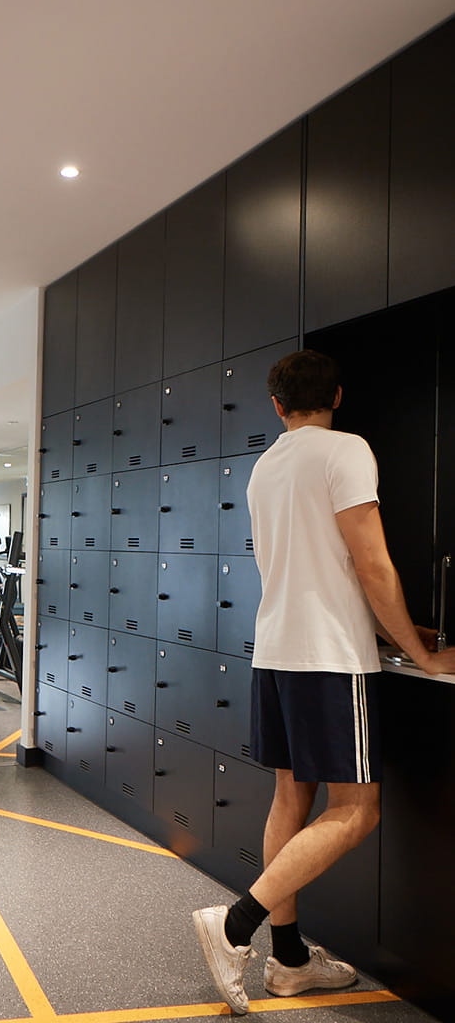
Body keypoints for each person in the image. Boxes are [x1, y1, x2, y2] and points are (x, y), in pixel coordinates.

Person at [193, 349, 455, 1015]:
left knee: (292, 795)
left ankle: (288, 961)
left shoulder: (265, 467)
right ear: (337, 395)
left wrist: (399, 633)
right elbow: (371, 565)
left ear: (275, 406)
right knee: (357, 809)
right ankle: (234, 927)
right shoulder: (346, 452)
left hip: (277, 650)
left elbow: (317, 564)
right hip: (331, 658)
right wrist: (421, 656)